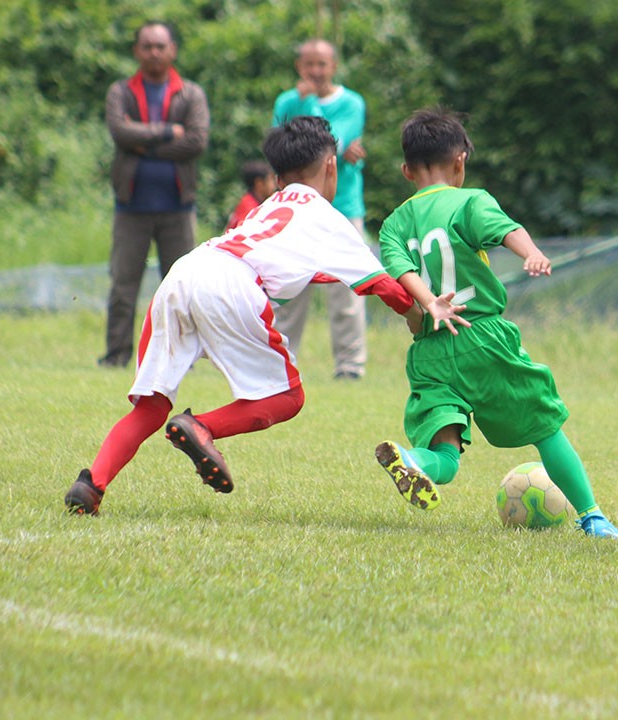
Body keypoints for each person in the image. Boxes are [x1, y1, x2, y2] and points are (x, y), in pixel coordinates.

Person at [64, 117, 464, 515]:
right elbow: (381, 285)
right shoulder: (326, 217)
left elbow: (297, 266)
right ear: (331, 166)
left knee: (151, 405)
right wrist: (420, 314)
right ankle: (202, 427)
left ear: (276, 179)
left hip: (184, 272)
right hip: (231, 283)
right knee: (287, 397)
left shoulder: (267, 207)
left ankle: (92, 485)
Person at [371, 108, 618, 540]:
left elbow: (399, 269)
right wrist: (530, 251)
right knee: (546, 425)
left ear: (405, 170)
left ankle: (413, 460)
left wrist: (431, 302)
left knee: (446, 455)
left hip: (429, 349)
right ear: (460, 161)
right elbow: (506, 229)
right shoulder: (471, 200)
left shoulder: (394, 223)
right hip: (481, 337)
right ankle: (593, 518)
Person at [100, 21, 210, 368]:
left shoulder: (190, 93)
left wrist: (143, 147)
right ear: (136, 51)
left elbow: (196, 141)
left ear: (173, 50)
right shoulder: (121, 91)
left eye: (160, 46)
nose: (153, 52)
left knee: (180, 290)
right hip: (131, 205)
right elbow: (119, 131)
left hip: (179, 207)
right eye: (147, 46)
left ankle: (181, 359)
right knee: (122, 287)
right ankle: (117, 355)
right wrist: (166, 132)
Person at [271, 39, 370, 380]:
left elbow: (326, 143)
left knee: (348, 289)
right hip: (296, 207)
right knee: (288, 288)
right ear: (299, 67)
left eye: (322, 64)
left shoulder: (352, 103)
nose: (316, 71)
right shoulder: (287, 101)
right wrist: (304, 102)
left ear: (334, 66)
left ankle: (350, 367)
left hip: (343, 206)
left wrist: (309, 103)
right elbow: (281, 147)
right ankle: (281, 362)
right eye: (309, 64)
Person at [225, 160, 277, 231]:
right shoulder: (249, 209)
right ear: (259, 184)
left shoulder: (250, 201)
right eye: (271, 179)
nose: (274, 185)